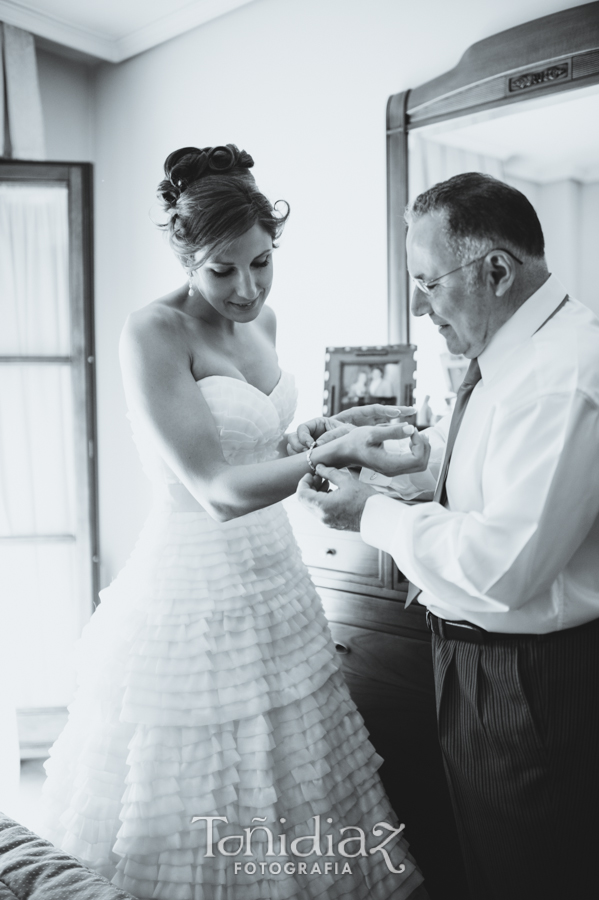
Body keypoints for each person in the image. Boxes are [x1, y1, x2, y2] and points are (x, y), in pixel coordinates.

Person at [39, 145, 430, 900]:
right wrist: (343, 450)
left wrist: (328, 428)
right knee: (201, 782)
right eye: (222, 270)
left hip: (275, 579)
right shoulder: (153, 333)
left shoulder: (265, 320)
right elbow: (216, 488)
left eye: (260, 263)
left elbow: (260, 445)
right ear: (186, 256)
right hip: (193, 587)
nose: (245, 288)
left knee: (290, 773)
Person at [295, 172, 599, 900]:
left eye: (427, 282)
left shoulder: (563, 374)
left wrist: (368, 512)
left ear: (495, 269)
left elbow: (501, 565)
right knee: (491, 864)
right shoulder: (517, 353)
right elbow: (493, 464)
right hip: (482, 662)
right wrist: (387, 447)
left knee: (531, 875)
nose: (415, 304)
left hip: (528, 682)